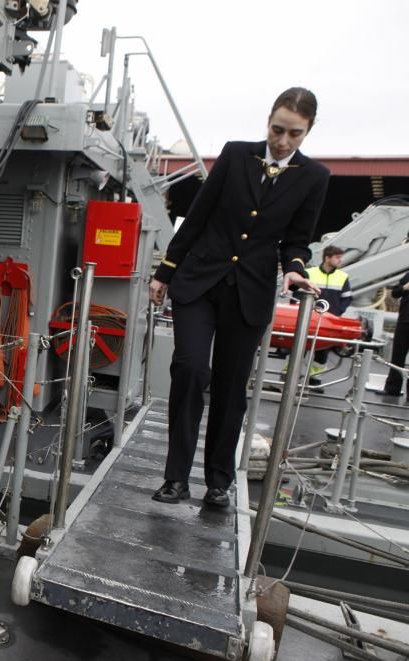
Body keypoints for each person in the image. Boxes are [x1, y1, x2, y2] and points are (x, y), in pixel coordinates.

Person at [149, 87, 329, 508]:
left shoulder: (314, 177)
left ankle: (218, 483)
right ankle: (176, 479)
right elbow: (198, 216)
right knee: (190, 369)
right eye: (277, 129)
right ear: (268, 119)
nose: (282, 141)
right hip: (199, 281)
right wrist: (165, 272)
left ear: (308, 131)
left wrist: (297, 272)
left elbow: (297, 241)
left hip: (250, 291)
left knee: (232, 389)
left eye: (294, 134)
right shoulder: (235, 154)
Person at [304, 245, 352, 380]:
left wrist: (337, 313)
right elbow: (298, 295)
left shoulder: (342, 276)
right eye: (337, 258)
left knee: (322, 351)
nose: (340, 261)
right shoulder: (310, 273)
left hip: (328, 322)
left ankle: (314, 378)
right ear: (327, 258)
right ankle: (288, 376)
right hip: (308, 319)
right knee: (299, 348)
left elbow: (347, 298)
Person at [381, 267, 409, 397]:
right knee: (397, 356)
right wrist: (405, 288)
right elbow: (395, 293)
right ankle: (392, 388)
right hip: (404, 321)